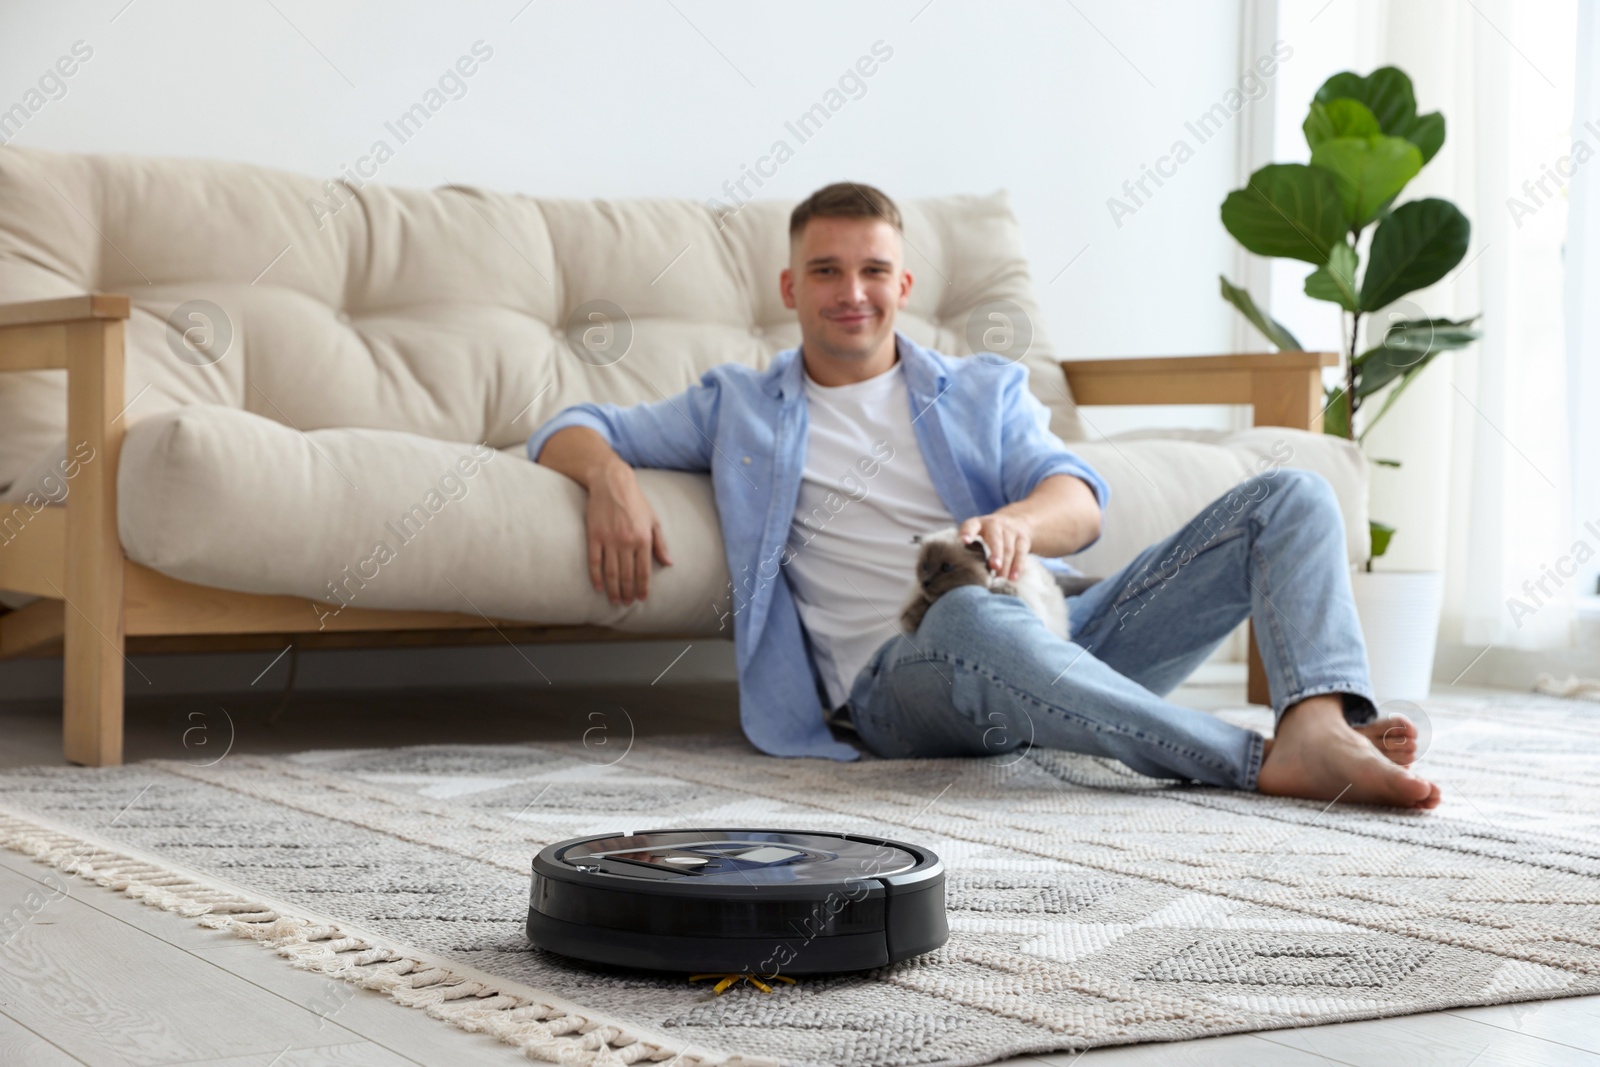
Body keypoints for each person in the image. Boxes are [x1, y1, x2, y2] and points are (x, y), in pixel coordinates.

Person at [529, 181, 1440, 810]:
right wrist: (609, 477)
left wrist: (1016, 523)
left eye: (874, 270)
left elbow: (1079, 497)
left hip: (1057, 630)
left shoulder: (981, 388)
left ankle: (1317, 722)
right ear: (790, 288)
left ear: (905, 285)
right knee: (963, 616)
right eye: (827, 271)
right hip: (901, 685)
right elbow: (567, 426)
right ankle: (1255, 761)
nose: (853, 292)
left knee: (1291, 495)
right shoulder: (738, 406)